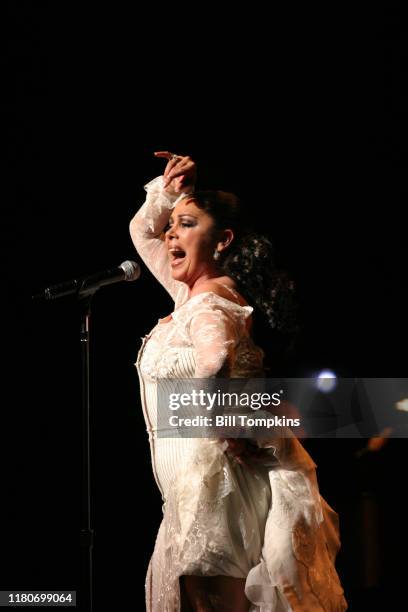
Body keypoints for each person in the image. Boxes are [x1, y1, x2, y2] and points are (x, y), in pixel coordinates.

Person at [129, 152, 347, 612]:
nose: (170, 232)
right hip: (190, 489)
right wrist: (170, 191)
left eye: (186, 224)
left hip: (213, 487)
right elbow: (141, 231)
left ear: (223, 239)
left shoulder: (209, 306)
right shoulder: (189, 293)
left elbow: (214, 365)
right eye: (172, 225)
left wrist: (225, 427)